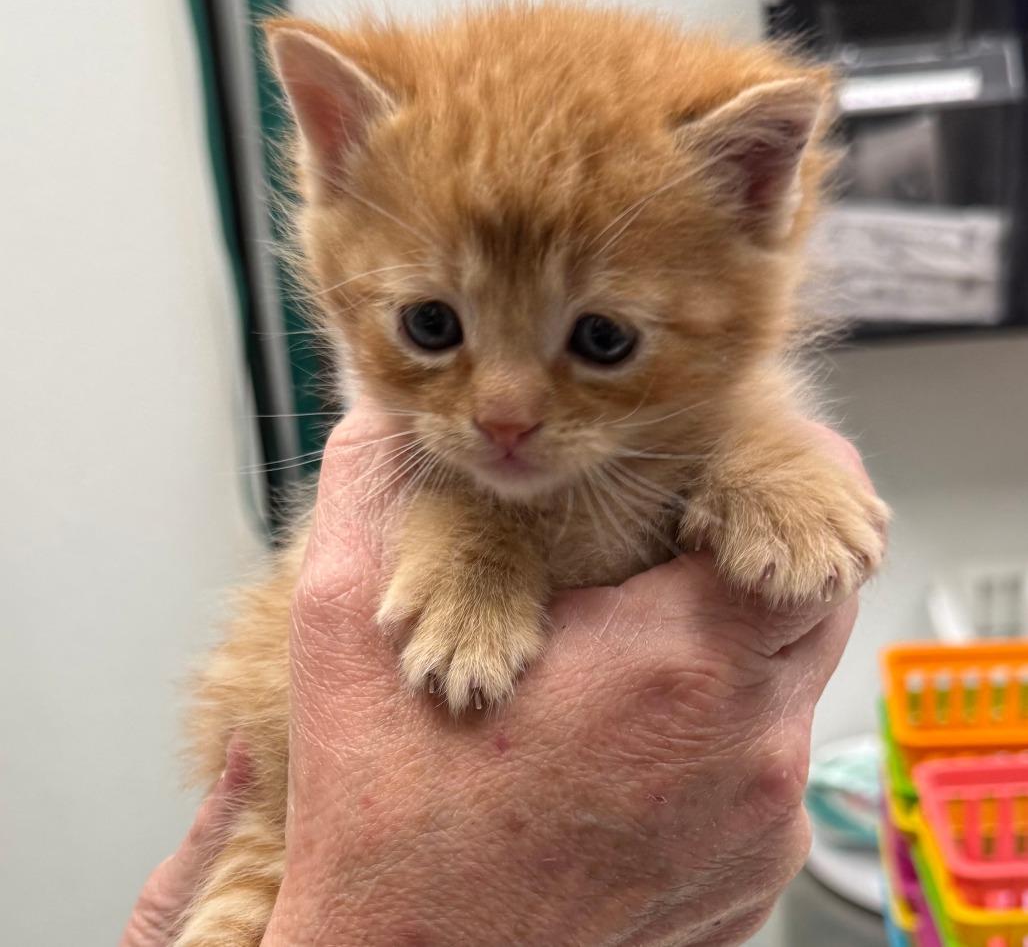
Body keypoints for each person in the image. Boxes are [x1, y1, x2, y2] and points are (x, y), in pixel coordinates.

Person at [122, 402, 871, 947]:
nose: (504, 408)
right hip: (285, 813)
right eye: (434, 323)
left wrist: (754, 466)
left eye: (602, 335)